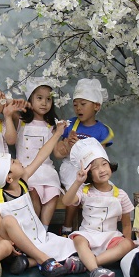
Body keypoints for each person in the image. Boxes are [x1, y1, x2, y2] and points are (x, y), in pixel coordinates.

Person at [0, 120, 82, 277]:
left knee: (71, 245)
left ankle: (29, 261)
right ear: (9, 178)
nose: (18, 161)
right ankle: (45, 261)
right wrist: (5, 243)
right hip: (16, 244)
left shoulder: (23, 183)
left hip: (37, 236)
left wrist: (58, 134)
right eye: (13, 162)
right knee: (8, 220)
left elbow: (41, 155)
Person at [62, 138, 135, 277]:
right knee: (79, 239)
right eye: (95, 168)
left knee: (128, 243)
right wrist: (77, 182)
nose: (101, 170)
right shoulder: (84, 191)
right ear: (88, 173)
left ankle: (86, 263)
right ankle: (95, 271)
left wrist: (127, 247)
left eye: (104, 164)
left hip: (110, 238)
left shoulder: (121, 195)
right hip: (88, 235)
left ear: (110, 166)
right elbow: (66, 201)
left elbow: (127, 224)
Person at [54, 78, 114, 237]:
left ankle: (98, 228)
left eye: (83, 104)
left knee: (105, 190)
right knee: (76, 189)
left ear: (96, 106)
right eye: (75, 104)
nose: (78, 108)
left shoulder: (102, 130)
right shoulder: (69, 125)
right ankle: (67, 227)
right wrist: (68, 145)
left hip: (93, 168)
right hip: (72, 167)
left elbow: (100, 157)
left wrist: (82, 147)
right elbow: (58, 154)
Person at [15, 77, 61, 229]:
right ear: (30, 99)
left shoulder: (51, 125)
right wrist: (21, 104)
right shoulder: (20, 120)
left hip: (46, 169)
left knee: (53, 193)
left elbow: (57, 152)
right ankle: (34, 228)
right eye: (39, 98)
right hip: (26, 169)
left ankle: (44, 228)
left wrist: (67, 145)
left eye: (48, 99)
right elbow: (5, 106)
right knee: (33, 192)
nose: (44, 103)